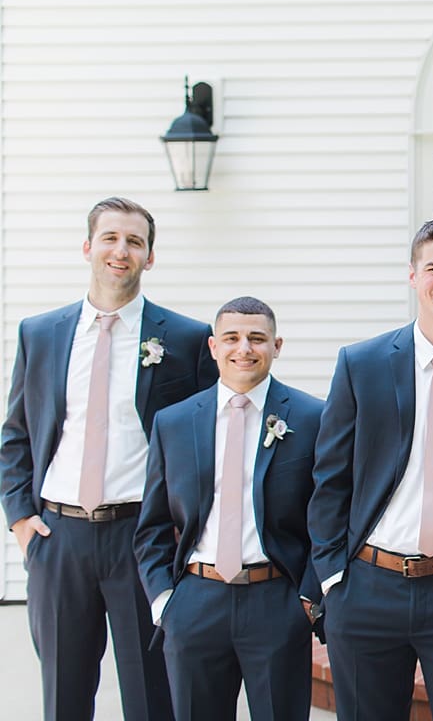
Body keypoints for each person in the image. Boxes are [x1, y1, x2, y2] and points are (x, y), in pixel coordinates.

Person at [0, 196, 217, 721]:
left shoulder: (186, 340)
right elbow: (16, 435)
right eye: (111, 238)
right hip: (58, 539)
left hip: (141, 539)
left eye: (135, 242)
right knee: (64, 694)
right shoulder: (41, 333)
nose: (121, 251)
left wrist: (183, 532)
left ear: (150, 257)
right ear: (88, 247)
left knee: (151, 694)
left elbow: (210, 444)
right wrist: (22, 520)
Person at [308, 218, 433, 721]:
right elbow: (330, 480)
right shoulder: (362, 364)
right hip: (369, 587)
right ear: (413, 276)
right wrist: (333, 577)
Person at [134, 296, 323, 720]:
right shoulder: (174, 422)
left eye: (257, 338)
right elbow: (152, 526)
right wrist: (165, 600)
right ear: (213, 347)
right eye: (232, 338)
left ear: (277, 346)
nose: (245, 348)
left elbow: (326, 517)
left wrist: (307, 598)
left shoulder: (313, 418)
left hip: (276, 600)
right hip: (196, 601)